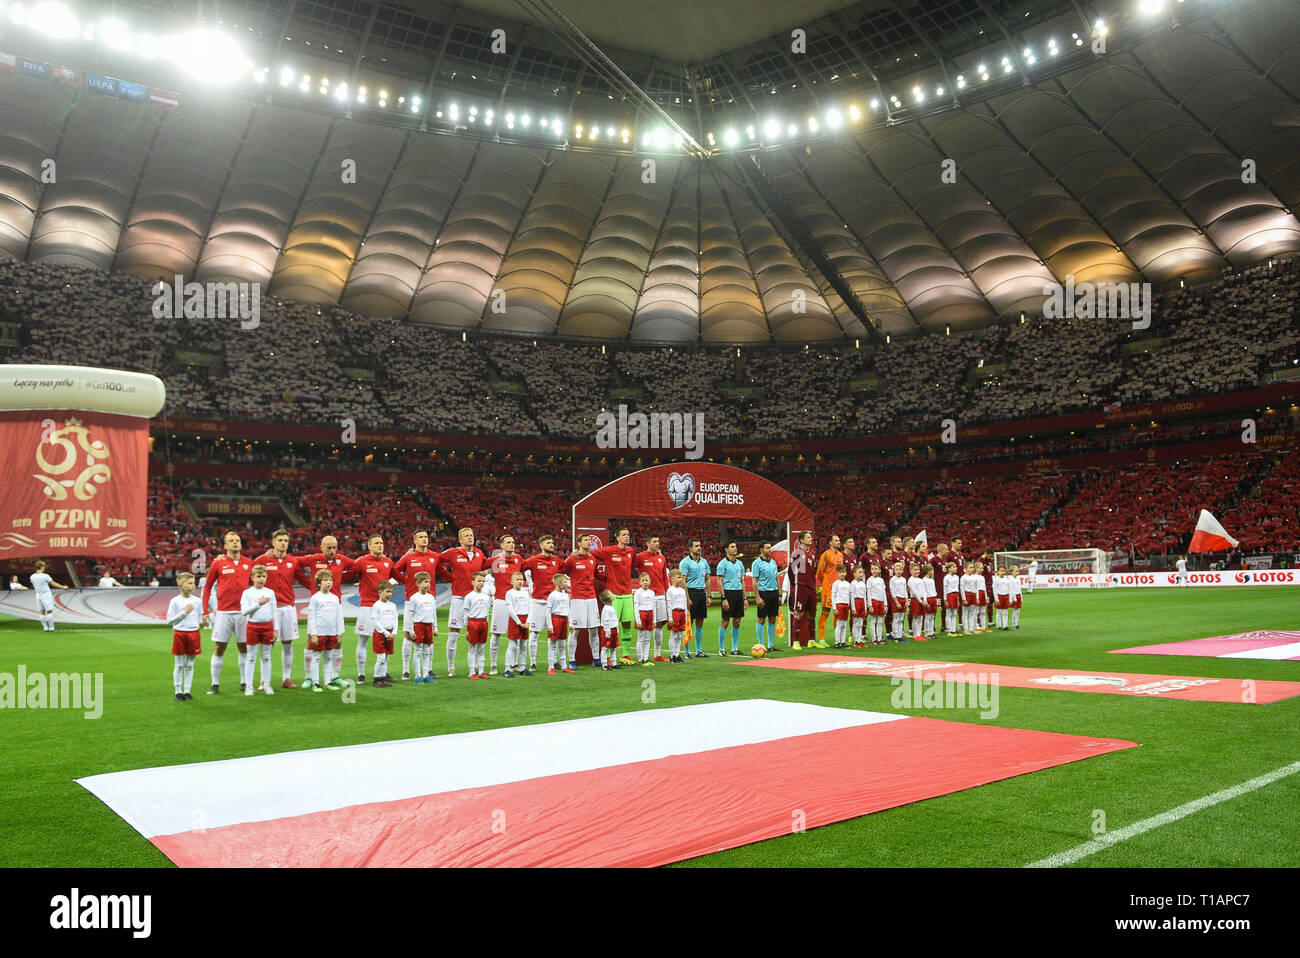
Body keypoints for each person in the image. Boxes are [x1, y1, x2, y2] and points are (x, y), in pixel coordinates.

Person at [201, 532, 253, 695]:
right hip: (223, 612)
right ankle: (215, 684)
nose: (235, 543)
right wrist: (204, 611)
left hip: (243, 612)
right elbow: (208, 587)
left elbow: (255, 585)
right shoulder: (218, 564)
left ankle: (245, 681)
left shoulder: (248, 563)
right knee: (219, 647)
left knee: (244, 647)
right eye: (231, 541)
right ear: (225, 546)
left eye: (237, 540)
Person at [250, 528, 302, 689]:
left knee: (288, 644)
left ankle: (286, 678)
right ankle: (264, 680)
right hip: (269, 609)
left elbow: (303, 579)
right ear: (273, 543)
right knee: (267, 645)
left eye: (286, 540)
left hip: (288, 607)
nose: (283, 543)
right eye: (280, 540)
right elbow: (247, 573)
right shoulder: (262, 560)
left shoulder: (293, 561)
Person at [295, 535, 354, 666]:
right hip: (318, 606)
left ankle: (335, 675)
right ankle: (309, 676)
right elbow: (295, 563)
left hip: (336, 605)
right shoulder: (314, 559)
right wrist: (308, 583)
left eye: (334, 548)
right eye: (329, 548)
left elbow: (356, 567)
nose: (332, 551)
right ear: (321, 548)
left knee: (338, 640)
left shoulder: (341, 560)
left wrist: (340, 579)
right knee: (312, 638)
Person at [345, 533, 396, 684]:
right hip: (367, 606)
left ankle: (383, 673)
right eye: (376, 543)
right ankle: (361, 674)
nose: (380, 545)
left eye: (381, 543)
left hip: (384, 607)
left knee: (386, 639)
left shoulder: (388, 562)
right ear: (369, 546)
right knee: (363, 640)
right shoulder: (362, 562)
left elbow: (398, 575)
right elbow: (348, 574)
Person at [438, 527, 488, 681]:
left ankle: (478, 669)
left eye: (471, 535)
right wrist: (450, 578)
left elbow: (487, 564)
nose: (470, 538)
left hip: (475, 598)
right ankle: (451, 666)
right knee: (454, 633)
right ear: (460, 540)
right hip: (459, 598)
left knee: (478, 635)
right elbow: (436, 561)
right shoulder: (453, 553)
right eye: (466, 536)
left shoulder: (479, 553)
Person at [392, 529, 440, 681]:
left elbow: (443, 569)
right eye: (420, 537)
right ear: (415, 540)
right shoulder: (409, 557)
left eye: (426, 537)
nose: (424, 539)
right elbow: (394, 570)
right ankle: (406, 669)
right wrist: (405, 581)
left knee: (428, 639)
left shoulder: (434, 556)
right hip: (410, 600)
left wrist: (453, 579)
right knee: (408, 635)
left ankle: (428, 670)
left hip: (429, 598)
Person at [591, 527, 637, 655]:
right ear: (617, 538)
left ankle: (626, 654)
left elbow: (633, 565)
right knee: (612, 626)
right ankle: (608, 656)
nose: (627, 536)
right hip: (614, 593)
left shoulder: (631, 551)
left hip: (627, 592)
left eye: (628, 534)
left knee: (627, 624)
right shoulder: (609, 551)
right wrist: (578, 553)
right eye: (624, 534)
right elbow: (592, 553)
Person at [522, 535, 562, 672]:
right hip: (538, 602)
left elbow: (567, 569)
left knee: (554, 633)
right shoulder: (533, 561)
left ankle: (555, 660)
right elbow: (519, 567)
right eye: (548, 543)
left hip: (554, 603)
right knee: (534, 633)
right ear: (541, 545)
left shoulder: (557, 561)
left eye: (552, 542)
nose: (552, 544)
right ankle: (533, 662)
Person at [561, 534, 601, 667]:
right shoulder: (573, 559)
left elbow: (596, 574)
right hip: (577, 598)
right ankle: (572, 660)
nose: (589, 542)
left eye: (589, 540)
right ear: (579, 543)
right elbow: (561, 570)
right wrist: (569, 557)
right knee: (575, 630)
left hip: (591, 598)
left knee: (594, 629)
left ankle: (596, 659)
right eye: (586, 540)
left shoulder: (592, 559)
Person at [240, 564, 278, 695]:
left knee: (266, 657)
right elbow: (244, 611)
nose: (261, 579)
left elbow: (274, 611)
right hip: (253, 626)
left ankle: (266, 685)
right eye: (258, 576)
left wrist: (276, 629)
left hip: (267, 626)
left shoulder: (270, 592)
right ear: (252, 577)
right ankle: (249, 686)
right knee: (251, 657)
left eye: (264, 576)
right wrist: (258, 604)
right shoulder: (247, 593)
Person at [305, 569, 344, 691]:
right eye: (325, 580)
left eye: (330, 580)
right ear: (318, 583)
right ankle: (315, 682)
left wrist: (339, 633)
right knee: (316, 657)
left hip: (331, 632)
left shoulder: (335, 598)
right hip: (319, 633)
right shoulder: (315, 598)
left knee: (328, 657)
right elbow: (311, 617)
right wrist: (313, 634)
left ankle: (328, 682)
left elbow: (338, 617)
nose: (329, 582)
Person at [165, 572, 202, 701]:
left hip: (194, 633)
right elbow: (169, 621)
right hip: (180, 633)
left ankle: (187, 691)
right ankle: (178, 691)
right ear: (181, 585)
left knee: (190, 664)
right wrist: (184, 613)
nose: (193, 585)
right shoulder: (175, 601)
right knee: (179, 664)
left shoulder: (197, 601)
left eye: (194, 583)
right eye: (190, 583)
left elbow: (199, 617)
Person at [634, 536, 670, 662]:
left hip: (660, 594)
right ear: (647, 543)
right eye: (654, 541)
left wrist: (667, 594)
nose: (657, 543)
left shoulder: (662, 558)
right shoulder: (640, 557)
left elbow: (665, 577)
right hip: (646, 596)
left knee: (660, 624)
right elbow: (628, 566)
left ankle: (657, 653)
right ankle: (642, 656)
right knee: (644, 628)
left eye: (658, 541)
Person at [678, 538, 711, 658]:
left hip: (701, 593)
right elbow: (683, 581)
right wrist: (687, 597)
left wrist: (709, 595)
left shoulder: (704, 562)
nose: (699, 547)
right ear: (690, 548)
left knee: (700, 622)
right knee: (689, 623)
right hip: (690, 593)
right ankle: (687, 651)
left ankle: (699, 650)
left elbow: (707, 579)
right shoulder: (685, 562)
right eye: (696, 546)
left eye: (699, 545)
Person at [786, 531, 817, 649]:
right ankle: (796, 642)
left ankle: (812, 640)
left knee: (812, 613)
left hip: (811, 587)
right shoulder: (797, 553)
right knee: (799, 613)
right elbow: (791, 570)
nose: (811, 539)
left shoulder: (813, 553)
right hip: (801, 586)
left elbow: (812, 571)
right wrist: (796, 584)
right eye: (808, 537)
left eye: (811, 537)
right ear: (802, 540)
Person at [406, 571, 439, 683]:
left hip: (428, 625)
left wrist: (436, 628)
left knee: (427, 651)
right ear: (418, 584)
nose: (428, 584)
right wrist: (411, 630)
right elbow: (410, 615)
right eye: (425, 582)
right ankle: (417, 676)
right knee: (418, 651)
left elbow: (434, 613)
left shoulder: (431, 597)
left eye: (429, 582)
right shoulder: (414, 598)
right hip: (418, 625)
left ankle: (426, 675)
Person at [716, 541, 746, 655]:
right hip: (728, 593)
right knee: (725, 621)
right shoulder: (722, 564)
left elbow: (742, 581)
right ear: (726, 549)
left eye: (735, 546)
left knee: (737, 621)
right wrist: (723, 597)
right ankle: (721, 648)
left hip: (738, 593)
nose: (735, 548)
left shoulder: (740, 564)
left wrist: (745, 598)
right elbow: (719, 581)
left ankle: (735, 648)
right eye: (732, 547)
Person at [815, 534, 844, 646]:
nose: (838, 542)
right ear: (830, 543)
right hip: (828, 589)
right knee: (826, 612)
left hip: (839, 588)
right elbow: (819, 572)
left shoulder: (841, 555)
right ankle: (822, 639)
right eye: (836, 540)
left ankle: (838, 639)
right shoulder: (826, 555)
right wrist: (826, 582)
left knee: (838, 613)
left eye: (839, 540)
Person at [750, 542, 780, 652]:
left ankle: (771, 645)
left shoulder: (773, 562)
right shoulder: (756, 563)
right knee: (761, 619)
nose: (770, 550)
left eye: (770, 548)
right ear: (761, 550)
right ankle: (761, 645)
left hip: (774, 593)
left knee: (772, 618)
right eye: (767, 548)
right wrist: (757, 597)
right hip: (763, 593)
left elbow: (777, 578)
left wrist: (779, 594)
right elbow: (754, 582)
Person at [369, 581, 400, 687]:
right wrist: (386, 632)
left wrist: (394, 632)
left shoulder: (393, 605)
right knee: (381, 657)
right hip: (380, 634)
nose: (389, 594)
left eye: (391, 592)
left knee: (386, 657)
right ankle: (376, 679)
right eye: (387, 591)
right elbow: (375, 621)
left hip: (390, 634)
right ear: (380, 592)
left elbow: (396, 619)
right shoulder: (376, 605)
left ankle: (383, 677)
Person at [504, 571, 533, 677]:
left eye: (521, 579)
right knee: (512, 645)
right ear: (512, 581)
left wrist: (528, 621)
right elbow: (510, 609)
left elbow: (531, 607)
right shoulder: (509, 593)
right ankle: (507, 669)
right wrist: (519, 622)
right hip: (515, 620)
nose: (520, 581)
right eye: (517, 579)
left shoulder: (526, 592)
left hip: (525, 620)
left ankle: (523, 668)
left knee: (524, 645)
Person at [464, 571, 491, 681]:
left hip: (483, 622)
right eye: (479, 581)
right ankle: (471, 672)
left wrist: (487, 623)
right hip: (473, 623)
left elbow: (487, 611)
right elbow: (465, 613)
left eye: (483, 581)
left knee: (481, 648)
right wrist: (467, 628)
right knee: (472, 648)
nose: (481, 583)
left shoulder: (486, 596)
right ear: (473, 582)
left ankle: (481, 671)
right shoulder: (469, 596)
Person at [545, 573, 573, 674]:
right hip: (555, 619)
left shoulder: (566, 595)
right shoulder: (552, 595)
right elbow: (548, 610)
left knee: (562, 645)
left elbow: (568, 609)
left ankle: (564, 666)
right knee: (552, 645)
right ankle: (551, 667)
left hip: (564, 620)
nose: (567, 584)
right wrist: (550, 625)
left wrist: (570, 624)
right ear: (558, 583)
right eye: (565, 582)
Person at [29, 560, 67, 632]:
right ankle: (51, 628)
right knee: (49, 611)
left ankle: (45, 627)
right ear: (41, 567)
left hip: (38, 595)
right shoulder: (45, 576)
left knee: (41, 612)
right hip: (46, 594)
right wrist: (63, 587)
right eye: (43, 566)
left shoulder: (32, 576)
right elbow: (53, 584)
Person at [633, 571, 657, 666]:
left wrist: (654, 620)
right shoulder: (638, 593)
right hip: (642, 614)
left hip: (650, 614)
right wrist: (638, 620)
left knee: (647, 638)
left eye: (647, 580)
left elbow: (654, 606)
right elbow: (636, 607)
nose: (645, 582)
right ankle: (640, 657)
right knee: (641, 638)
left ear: (650, 581)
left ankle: (646, 657)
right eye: (643, 580)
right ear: (640, 582)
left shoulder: (652, 593)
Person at [665, 570, 689, 663]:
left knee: (679, 635)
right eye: (678, 577)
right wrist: (670, 618)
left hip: (682, 613)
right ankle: (672, 655)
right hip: (674, 613)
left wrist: (686, 615)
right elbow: (669, 604)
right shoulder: (670, 590)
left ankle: (677, 654)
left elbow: (684, 603)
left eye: (681, 577)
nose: (681, 579)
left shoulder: (682, 590)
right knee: (673, 635)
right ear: (672, 579)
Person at [598, 589, 620, 671]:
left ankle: (614, 663)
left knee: (613, 647)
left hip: (613, 630)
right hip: (608, 631)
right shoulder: (607, 609)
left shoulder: (611, 607)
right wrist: (608, 632)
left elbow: (614, 619)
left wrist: (616, 628)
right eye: (611, 594)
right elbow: (606, 621)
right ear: (611, 598)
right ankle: (604, 664)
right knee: (605, 647)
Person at [830, 565, 851, 648]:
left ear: (846, 573)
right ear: (837, 573)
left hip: (846, 605)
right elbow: (833, 596)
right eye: (840, 572)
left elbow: (849, 596)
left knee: (845, 625)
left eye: (843, 572)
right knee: (839, 624)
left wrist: (849, 605)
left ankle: (843, 641)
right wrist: (834, 608)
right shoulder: (836, 583)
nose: (842, 574)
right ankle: (837, 642)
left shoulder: (848, 584)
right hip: (839, 605)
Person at [866, 562, 887, 645]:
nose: (874, 571)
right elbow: (869, 593)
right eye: (872, 569)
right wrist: (870, 605)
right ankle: (873, 638)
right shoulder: (869, 580)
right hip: (874, 601)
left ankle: (879, 638)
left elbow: (883, 592)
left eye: (876, 569)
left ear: (880, 570)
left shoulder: (881, 580)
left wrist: (885, 604)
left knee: (880, 621)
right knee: (873, 620)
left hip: (881, 601)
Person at [888, 561, 909, 642]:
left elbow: (905, 590)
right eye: (897, 569)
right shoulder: (892, 580)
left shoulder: (903, 579)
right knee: (896, 618)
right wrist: (896, 602)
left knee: (901, 619)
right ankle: (896, 636)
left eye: (900, 569)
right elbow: (892, 591)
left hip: (903, 599)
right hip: (896, 600)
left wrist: (906, 600)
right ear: (894, 570)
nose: (899, 571)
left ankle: (899, 635)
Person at [907, 563, 927, 642]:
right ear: (910, 571)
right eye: (914, 570)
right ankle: (915, 635)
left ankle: (919, 634)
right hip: (915, 600)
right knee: (915, 617)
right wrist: (920, 601)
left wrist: (925, 599)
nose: (917, 571)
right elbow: (914, 592)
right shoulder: (910, 580)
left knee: (921, 617)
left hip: (922, 599)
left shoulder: (920, 580)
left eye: (918, 569)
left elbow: (924, 590)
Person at [849, 565, 867, 647]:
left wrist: (865, 607)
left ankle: (859, 640)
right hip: (856, 602)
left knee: (861, 623)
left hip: (862, 603)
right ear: (854, 574)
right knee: (856, 623)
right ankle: (855, 640)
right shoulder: (852, 583)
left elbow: (864, 596)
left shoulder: (863, 584)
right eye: (859, 572)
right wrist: (853, 608)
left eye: (862, 572)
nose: (861, 574)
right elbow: (852, 596)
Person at [960, 564, 981, 635]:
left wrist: (977, 598)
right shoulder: (963, 577)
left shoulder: (974, 577)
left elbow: (976, 588)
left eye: (972, 567)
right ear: (966, 569)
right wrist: (964, 598)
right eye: (970, 567)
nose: (972, 569)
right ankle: (966, 629)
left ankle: (972, 628)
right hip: (967, 594)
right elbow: (962, 588)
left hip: (973, 595)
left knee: (972, 613)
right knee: (965, 613)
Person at [943, 562, 960, 635]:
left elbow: (957, 588)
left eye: (956, 566)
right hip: (949, 595)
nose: (955, 568)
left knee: (954, 613)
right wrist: (945, 599)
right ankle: (949, 630)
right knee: (949, 613)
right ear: (949, 568)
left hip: (955, 595)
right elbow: (945, 588)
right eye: (953, 567)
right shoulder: (946, 577)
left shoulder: (957, 577)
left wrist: (958, 598)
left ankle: (954, 629)